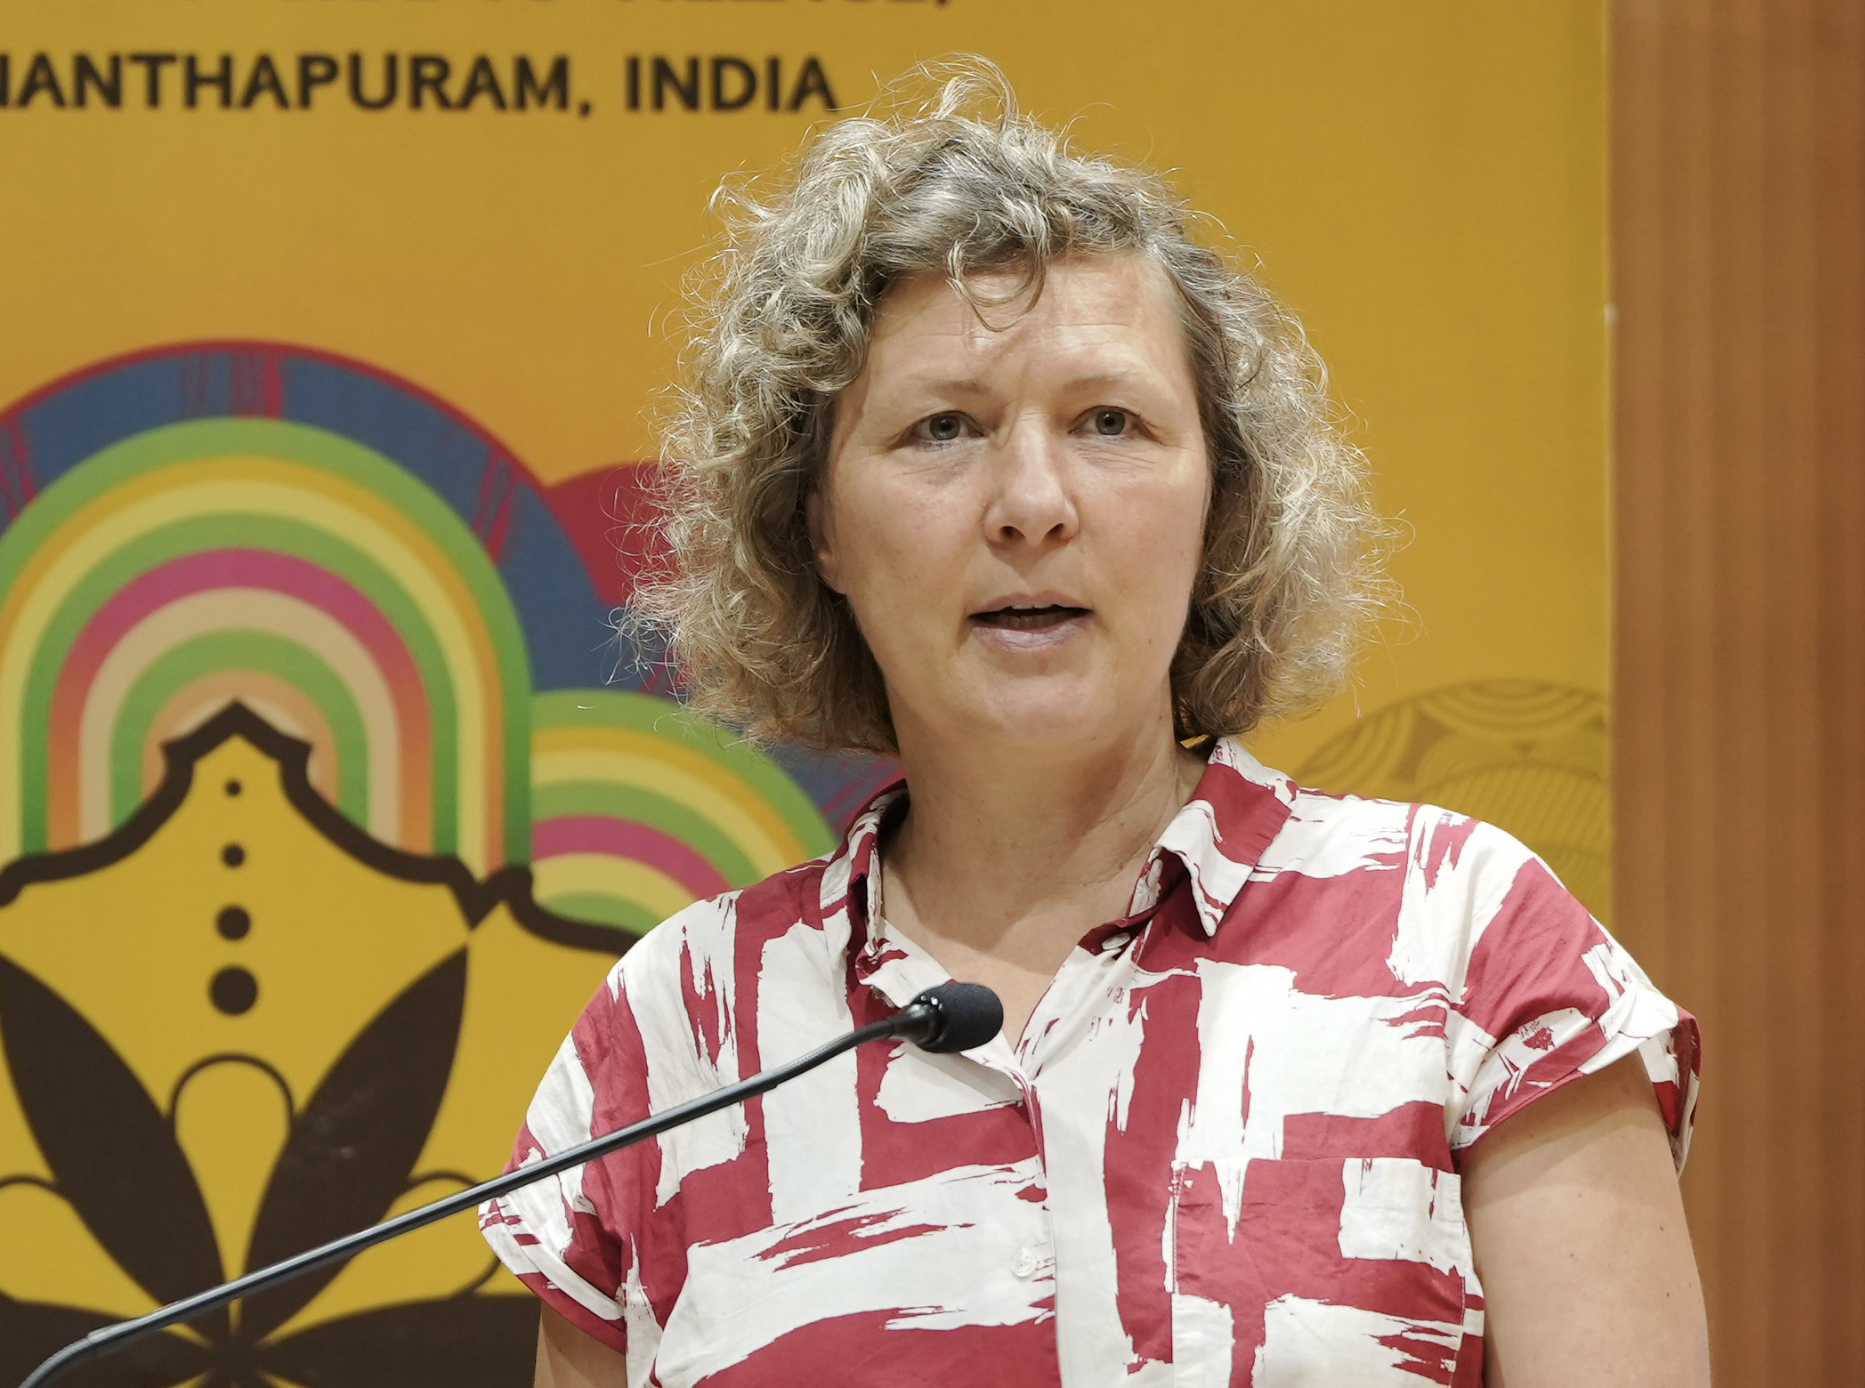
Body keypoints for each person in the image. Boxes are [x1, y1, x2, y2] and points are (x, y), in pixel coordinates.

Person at [481, 64, 1710, 1388]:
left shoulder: (1464, 940)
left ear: (1220, 503)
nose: (1031, 503)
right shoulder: (680, 1030)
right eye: (942, 428)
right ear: (818, 524)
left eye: (1108, 422)